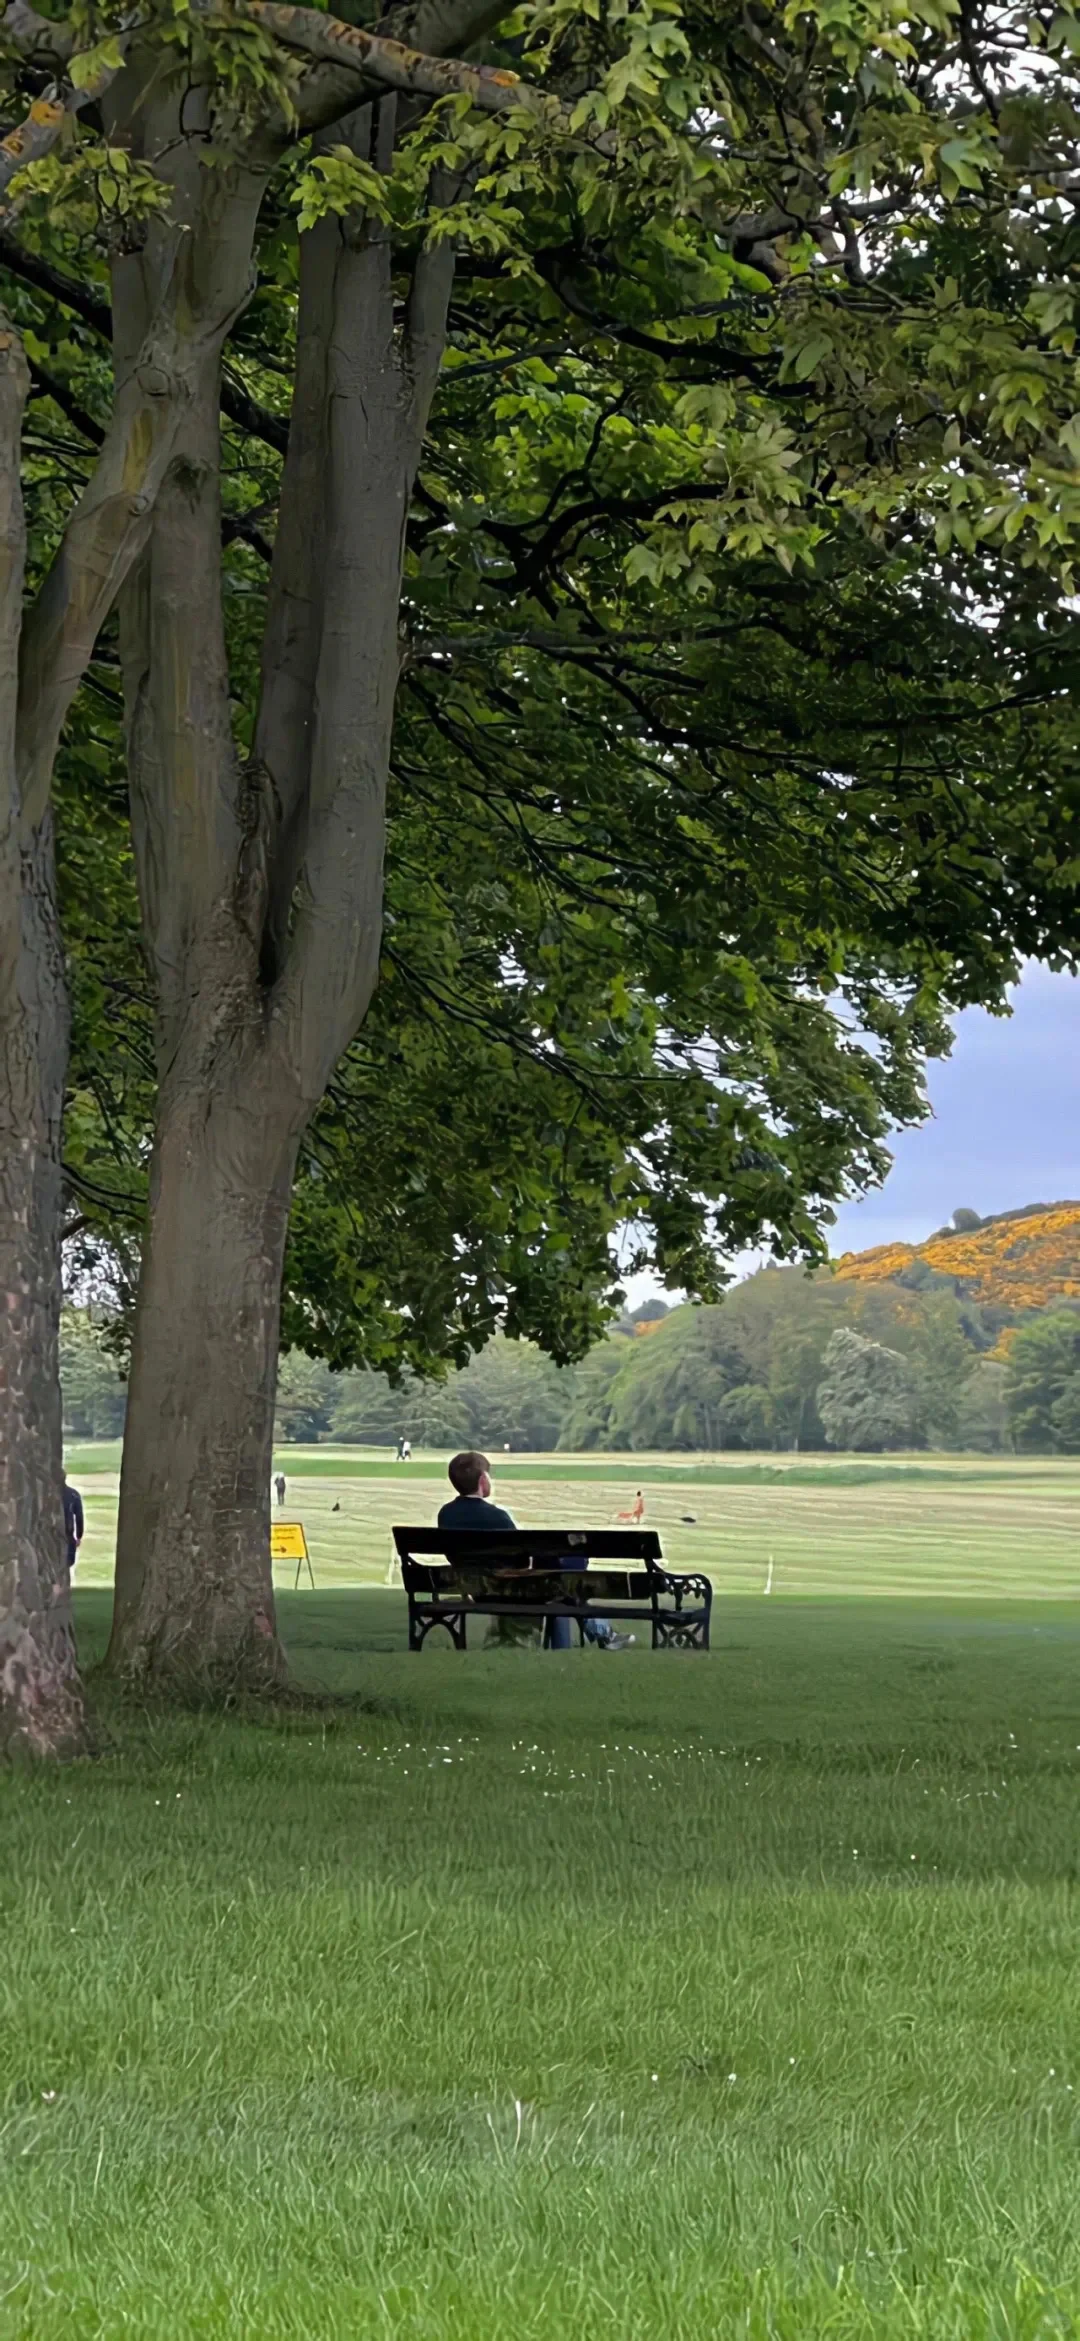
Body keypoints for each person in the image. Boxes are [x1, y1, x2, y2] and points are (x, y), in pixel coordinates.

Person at [437, 1452, 632, 1648]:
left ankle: (603, 1634)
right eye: (488, 1474)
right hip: (508, 1589)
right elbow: (520, 1561)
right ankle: (602, 1635)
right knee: (565, 1577)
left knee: (562, 1582)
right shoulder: (497, 1517)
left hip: (476, 1589)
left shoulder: (446, 1514)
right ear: (482, 1480)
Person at [62, 1473, 84, 1576]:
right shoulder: (73, 1494)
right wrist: (79, 1536)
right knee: (66, 1566)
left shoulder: (46, 1493)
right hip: (68, 1535)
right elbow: (79, 1517)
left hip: (51, 1535)